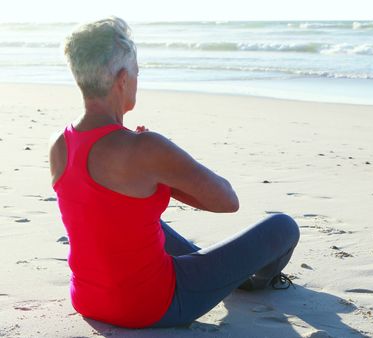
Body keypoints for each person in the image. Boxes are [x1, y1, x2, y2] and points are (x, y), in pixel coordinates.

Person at [49, 17, 300, 329]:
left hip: (87, 299)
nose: (138, 79)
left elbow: (104, 197)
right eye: (138, 72)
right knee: (283, 227)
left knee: (125, 217)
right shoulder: (146, 149)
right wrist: (163, 158)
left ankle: (215, 269)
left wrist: (156, 170)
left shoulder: (60, 143)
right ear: (123, 79)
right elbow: (226, 200)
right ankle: (248, 282)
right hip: (153, 305)